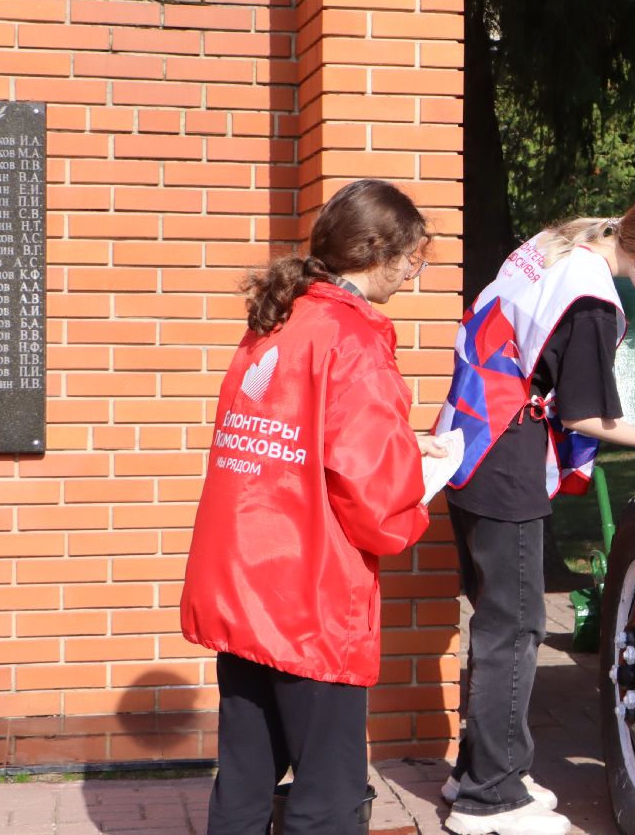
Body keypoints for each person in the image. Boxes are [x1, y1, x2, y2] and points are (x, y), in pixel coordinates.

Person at [434, 195, 635, 835]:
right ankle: (488, 801)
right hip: (505, 454)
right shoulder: (592, 302)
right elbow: (586, 415)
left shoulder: (559, 245)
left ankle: (484, 767)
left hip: (468, 435)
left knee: (498, 616)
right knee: (519, 624)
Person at [181, 179, 451, 835]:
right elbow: (374, 496)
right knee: (327, 797)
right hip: (312, 601)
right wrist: (422, 475)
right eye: (415, 258)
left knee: (245, 778)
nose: (415, 274)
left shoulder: (279, 318)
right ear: (377, 252)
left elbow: (291, 438)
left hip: (243, 583)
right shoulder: (353, 337)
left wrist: (395, 446)